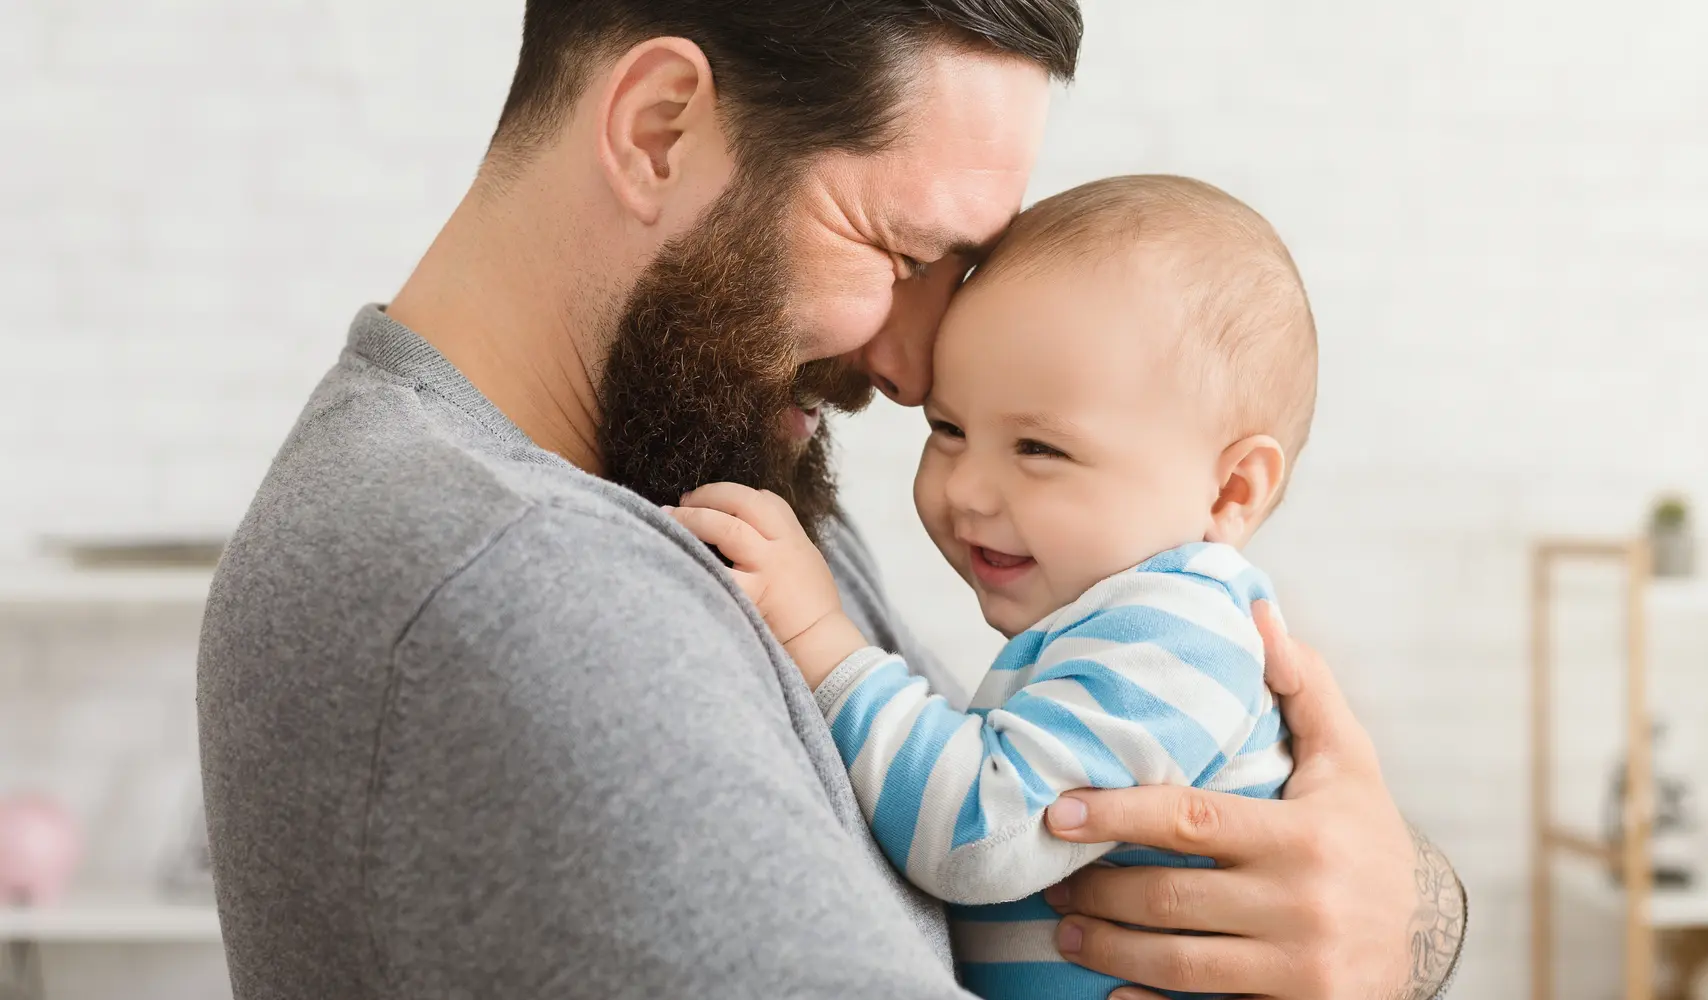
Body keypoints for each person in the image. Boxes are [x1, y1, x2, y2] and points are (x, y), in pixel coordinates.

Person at [195, 4, 1466, 999]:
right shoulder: (512, 576)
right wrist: (1403, 931)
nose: (915, 369)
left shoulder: (704, 461)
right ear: (659, 130)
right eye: (902, 255)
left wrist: (1389, 914)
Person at [670, 175, 1309, 1000]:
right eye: (949, 429)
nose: (967, 489)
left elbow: (981, 831)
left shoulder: (1178, 634)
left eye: (1039, 448)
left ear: (1231, 492)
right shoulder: (1119, 624)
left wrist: (821, 640)